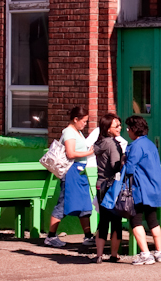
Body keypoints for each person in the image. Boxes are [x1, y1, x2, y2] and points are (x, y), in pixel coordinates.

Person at [45, 106, 96, 248]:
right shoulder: (68, 132)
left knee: (85, 204)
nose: (85, 124)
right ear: (75, 119)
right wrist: (89, 153)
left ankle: (87, 236)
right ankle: (50, 236)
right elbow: (70, 153)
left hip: (80, 171)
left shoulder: (78, 132)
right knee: (64, 202)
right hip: (71, 171)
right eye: (84, 121)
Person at [123, 115, 161, 265]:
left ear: (134, 130)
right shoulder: (150, 144)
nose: (127, 131)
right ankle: (159, 252)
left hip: (140, 190)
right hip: (154, 189)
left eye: (128, 128)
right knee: (153, 220)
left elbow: (129, 168)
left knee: (135, 220)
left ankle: (145, 253)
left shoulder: (135, 146)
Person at [93, 114, 127, 262]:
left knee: (103, 220)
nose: (120, 128)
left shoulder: (99, 142)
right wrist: (124, 161)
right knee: (116, 221)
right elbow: (115, 166)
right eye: (116, 126)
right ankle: (114, 254)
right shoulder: (113, 144)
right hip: (112, 185)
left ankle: (99, 255)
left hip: (100, 184)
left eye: (119, 125)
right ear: (108, 128)